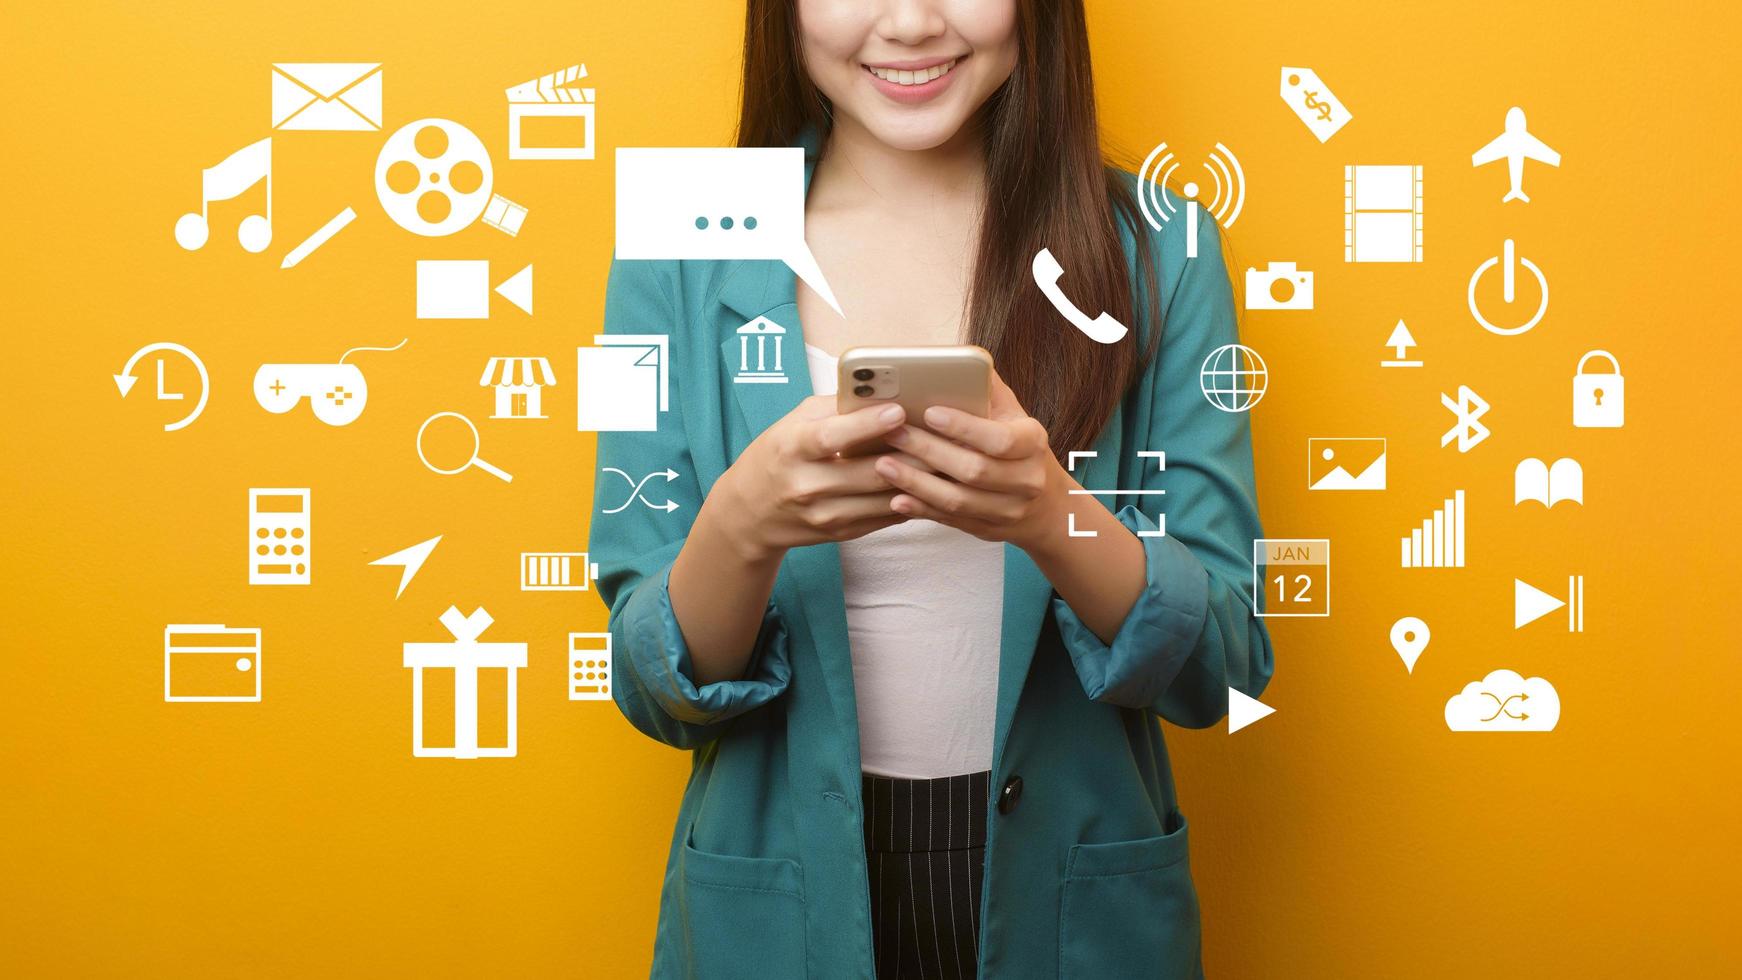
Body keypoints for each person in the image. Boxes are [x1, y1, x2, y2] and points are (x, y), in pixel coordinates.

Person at [589, 1, 1272, 976]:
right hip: (779, 894)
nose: (908, 23)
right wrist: (742, 524)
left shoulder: (1159, 246)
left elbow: (1223, 664)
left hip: (1073, 891)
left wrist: (1048, 516)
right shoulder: (672, 238)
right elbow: (649, 685)